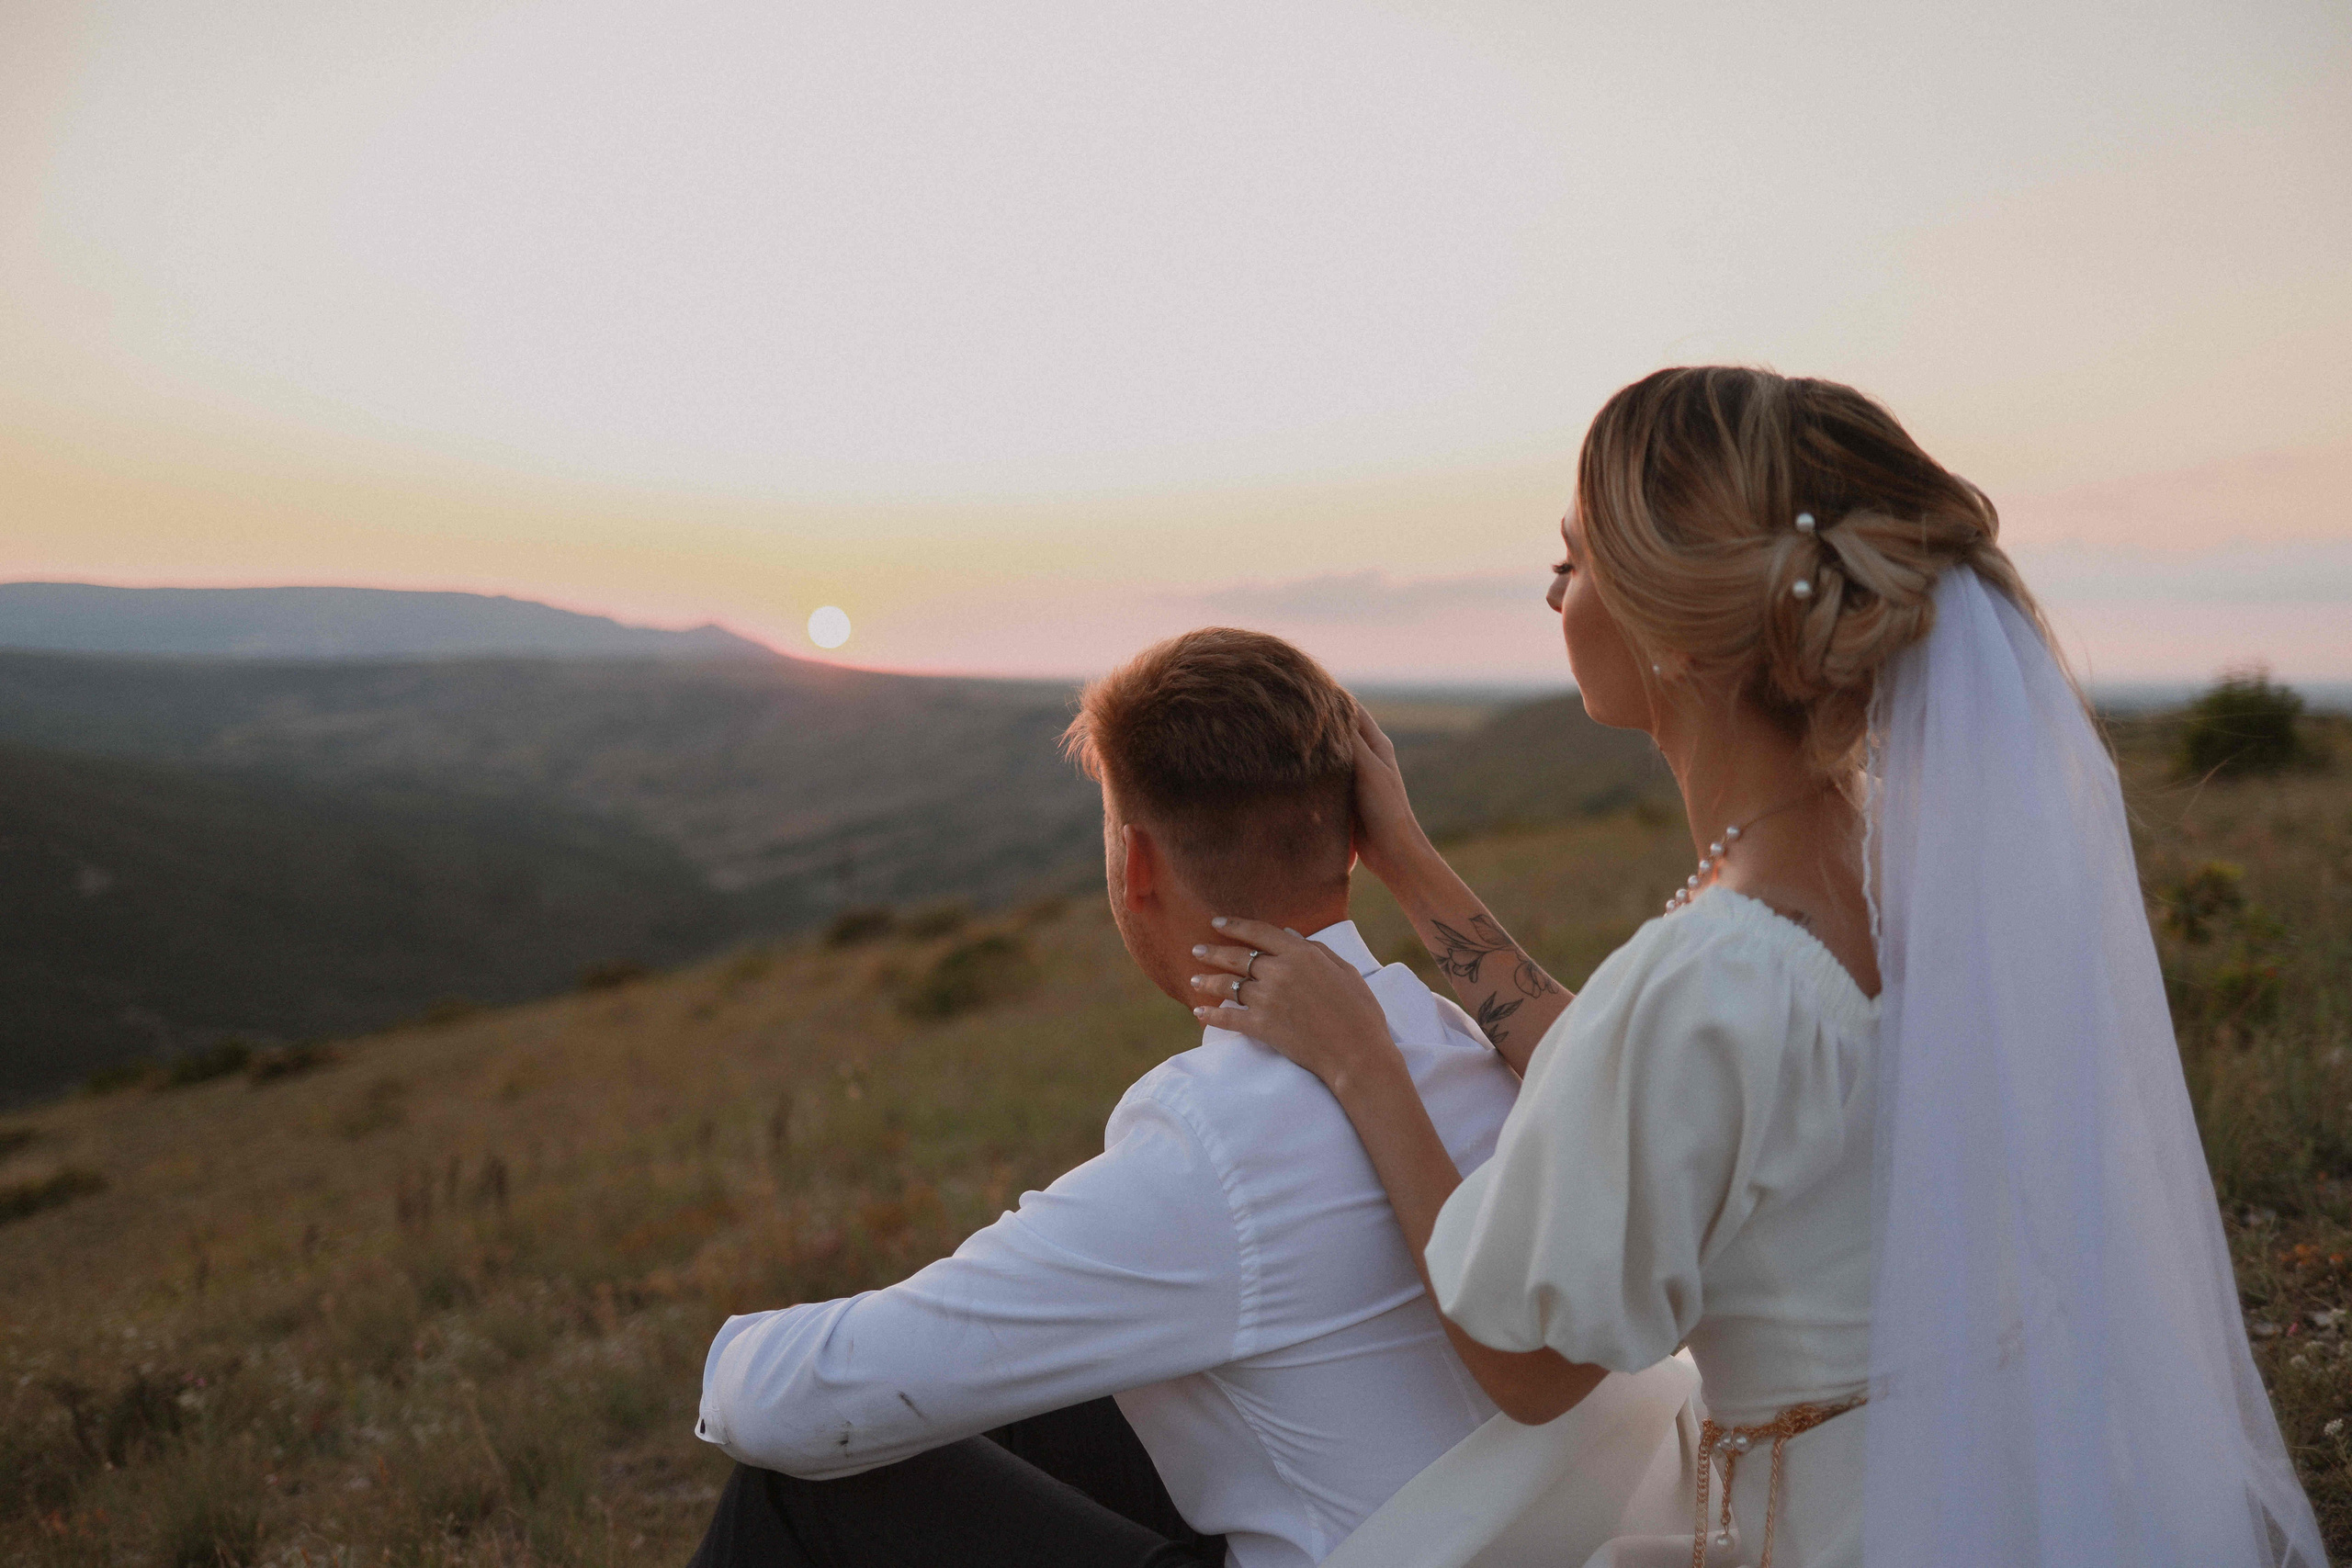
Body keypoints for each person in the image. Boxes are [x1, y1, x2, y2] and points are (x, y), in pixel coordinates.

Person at [1187, 367, 2324, 1568]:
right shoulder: (1903, 867)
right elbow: (1663, 1080)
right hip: (1991, 1487)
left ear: (1675, 629)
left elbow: (1528, 1364)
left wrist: (1365, 1065)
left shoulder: (1716, 971)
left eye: (1574, 559)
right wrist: (1412, 867)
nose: (1554, 591)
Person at [686, 628, 1531, 1568]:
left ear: (1137, 864)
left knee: (795, 1482)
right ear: (1355, 840)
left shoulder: (1214, 1140)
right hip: (1527, 1531)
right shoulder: (1477, 1046)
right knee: (1051, 1393)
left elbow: (797, 1409)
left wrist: (728, 1359)